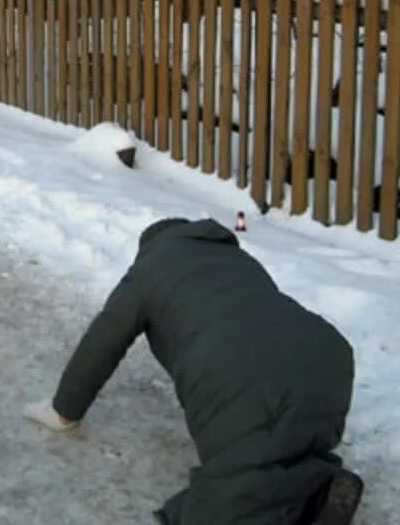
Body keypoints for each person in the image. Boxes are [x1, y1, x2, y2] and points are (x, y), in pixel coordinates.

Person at [24, 217, 362, 524]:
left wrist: (64, 410)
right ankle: (322, 489)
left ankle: (297, 506)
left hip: (236, 371)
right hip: (327, 354)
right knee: (289, 442)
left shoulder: (150, 267)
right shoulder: (239, 259)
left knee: (227, 500)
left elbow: (102, 341)